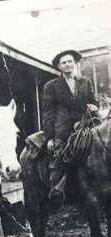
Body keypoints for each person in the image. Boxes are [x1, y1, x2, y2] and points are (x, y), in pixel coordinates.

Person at [42, 50, 98, 206]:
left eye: (70, 61)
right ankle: (56, 190)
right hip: (63, 128)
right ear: (59, 67)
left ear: (75, 63)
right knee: (59, 155)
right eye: (64, 62)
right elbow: (47, 112)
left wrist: (93, 106)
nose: (67, 64)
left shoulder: (85, 82)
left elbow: (93, 101)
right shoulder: (51, 86)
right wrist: (50, 137)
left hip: (85, 125)